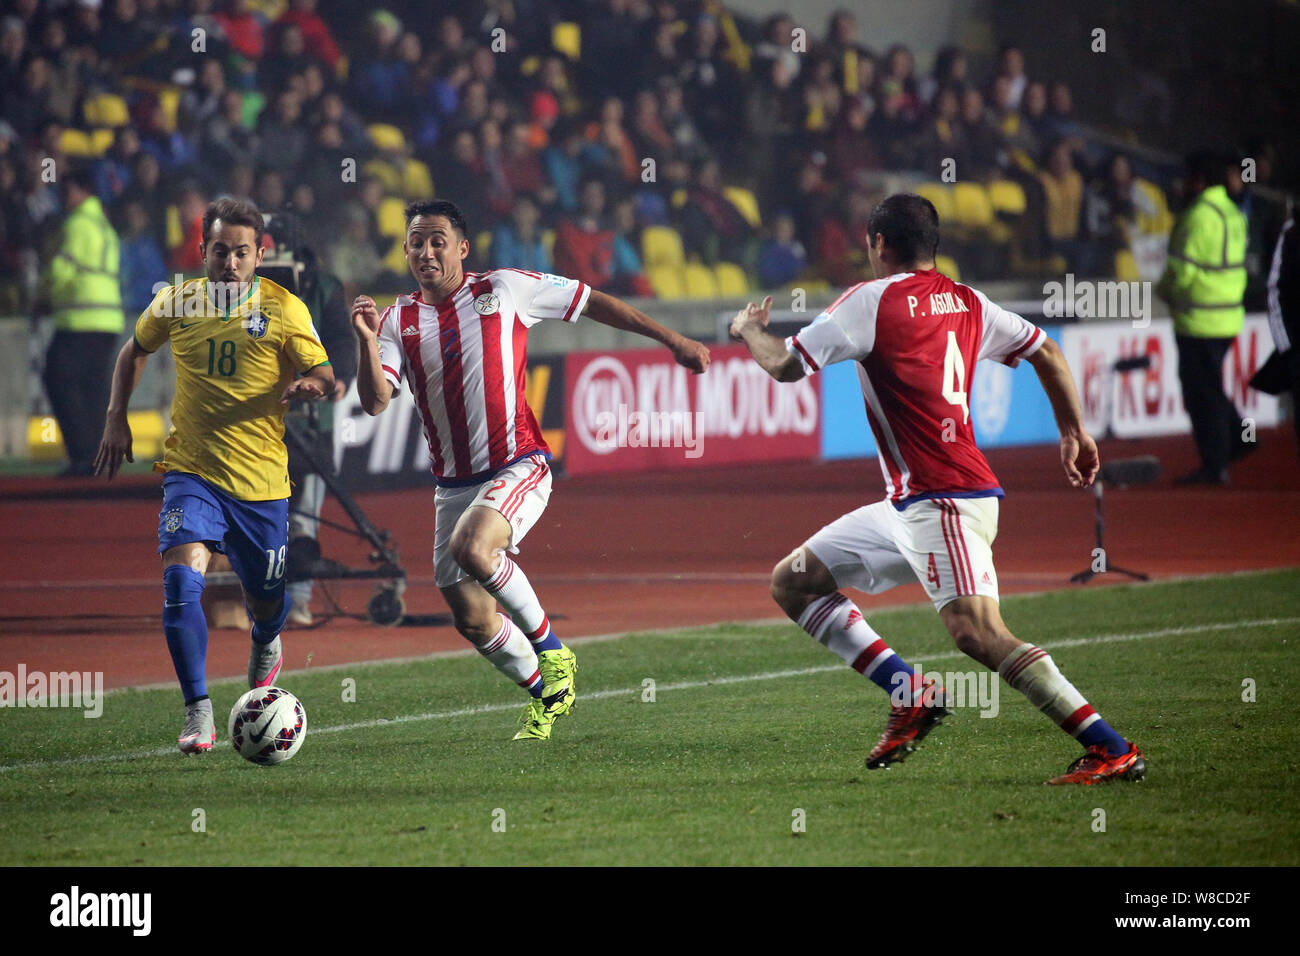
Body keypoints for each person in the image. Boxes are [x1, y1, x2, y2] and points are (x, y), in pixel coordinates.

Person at [730, 193, 1145, 785]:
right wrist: (1073, 431)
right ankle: (911, 694)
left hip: (944, 499)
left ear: (877, 243)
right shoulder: (969, 301)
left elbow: (785, 365)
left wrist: (748, 330)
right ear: (932, 245)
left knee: (979, 634)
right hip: (909, 502)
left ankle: (1110, 747)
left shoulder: (869, 301)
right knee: (794, 581)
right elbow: (1046, 350)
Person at [350, 199, 710, 740]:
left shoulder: (506, 288)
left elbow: (593, 302)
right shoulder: (397, 319)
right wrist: (366, 341)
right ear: (404, 250)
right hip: (452, 486)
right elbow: (377, 401)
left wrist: (672, 340)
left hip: (517, 463)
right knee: (471, 618)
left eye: (437, 240)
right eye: (416, 243)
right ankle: (549, 693)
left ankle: (553, 651)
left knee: (473, 549)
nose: (426, 252)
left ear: (462, 248)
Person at [94, 198, 334, 753]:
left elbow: (322, 372)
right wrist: (115, 418)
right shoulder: (176, 302)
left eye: (241, 252)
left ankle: (266, 638)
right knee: (181, 584)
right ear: (203, 251)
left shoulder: (283, 308)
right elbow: (134, 350)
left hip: (261, 483)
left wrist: (311, 385)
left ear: (259, 254)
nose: (230, 261)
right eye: (220, 250)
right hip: (192, 471)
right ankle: (197, 710)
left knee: (268, 602)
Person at [1156, 151, 1249, 484]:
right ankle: (1238, 439)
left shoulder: (1197, 217)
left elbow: (1181, 273)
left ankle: (1215, 464)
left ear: (1199, 180)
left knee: (1201, 394)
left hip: (1199, 319)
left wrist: (1162, 291)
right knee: (1210, 386)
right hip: (1227, 318)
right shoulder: (1233, 213)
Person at [40, 164, 123, 477]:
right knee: (93, 389)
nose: (63, 196)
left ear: (80, 190)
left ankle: (83, 455)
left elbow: (62, 270)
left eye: (66, 189)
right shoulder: (104, 224)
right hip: (107, 318)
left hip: (79, 317)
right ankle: (99, 458)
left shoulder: (76, 224)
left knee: (59, 380)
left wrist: (42, 296)